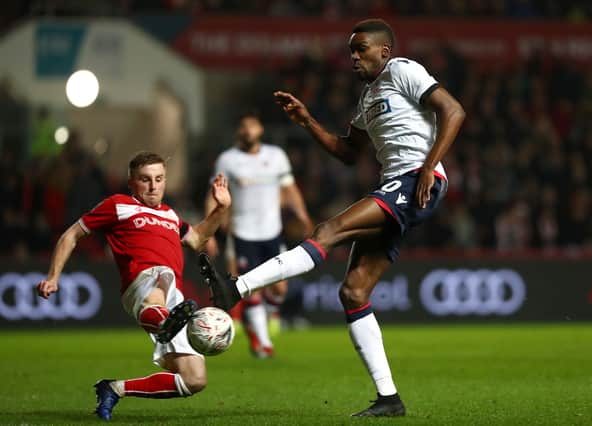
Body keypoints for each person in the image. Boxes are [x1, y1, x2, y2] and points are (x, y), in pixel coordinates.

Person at [206, 18, 465, 416]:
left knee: (328, 230)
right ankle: (389, 399)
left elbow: (454, 111)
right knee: (353, 292)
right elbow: (348, 153)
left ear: (384, 50)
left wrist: (430, 165)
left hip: (416, 180)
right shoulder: (367, 99)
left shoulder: (403, 70)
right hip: (397, 185)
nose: (354, 57)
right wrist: (307, 121)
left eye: (361, 49)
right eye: (350, 51)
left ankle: (236, 288)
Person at [37, 152, 231, 420]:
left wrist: (221, 209)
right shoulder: (118, 205)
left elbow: (198, 239)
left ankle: (115, 388)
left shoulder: (171, 216)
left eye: (159, 179)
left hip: (172, 297)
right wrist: (53, 276)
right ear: (131, 182)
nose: (153, 186)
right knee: (159, 281)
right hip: (141, 280)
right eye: (145, 179)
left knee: (194, 380)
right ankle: (166, 323)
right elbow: (71, 235)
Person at [205, 112, 312, 358]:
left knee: (280, 290)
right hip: (242, 233)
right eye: (243, 127)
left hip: (272, 232)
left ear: (260, 130)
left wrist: (302, 214)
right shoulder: (228, 160)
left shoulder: (276, 156)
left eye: (251, 126)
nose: (247, 131)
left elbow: (290, 188)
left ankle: (258, 326)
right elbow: (214, 193)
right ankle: (264, 342)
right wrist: (208, 231)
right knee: (247, 286)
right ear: (238, 132)